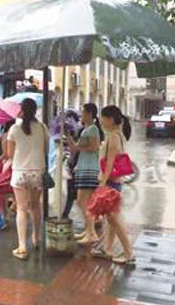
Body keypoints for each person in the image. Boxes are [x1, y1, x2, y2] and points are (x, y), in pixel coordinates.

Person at [93, 105, 135, 264]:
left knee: (115, 220)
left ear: (110, 119)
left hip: (111, 183)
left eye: (102, 117)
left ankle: (129, 254)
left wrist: (102, 184)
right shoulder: (117, 134)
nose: (101, 120)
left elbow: (110, 163)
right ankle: (107, 248)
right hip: (113, 183)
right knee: (111, 220)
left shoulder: (113, 136)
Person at [7, 98, 49, 260]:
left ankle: (22, 247)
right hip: (37, 171)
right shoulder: (42, 128)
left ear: (22, 110)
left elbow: (10, 155)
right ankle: (36, 238)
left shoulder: (14, 129)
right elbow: (45, 150)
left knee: (22, 209)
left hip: (20, 172)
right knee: (35, 206)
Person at [67, 103, 104, 244]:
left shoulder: (93, 129)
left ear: (89, 114)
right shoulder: (86, 129)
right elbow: (75, 148)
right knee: (83, 201)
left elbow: (94, 147)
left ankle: (92, 233)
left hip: (89, 168)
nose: (81, 114)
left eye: (83, 112)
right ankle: (88, 230)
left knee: (83, 202)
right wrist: (68, 136)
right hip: (83, 167)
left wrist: (80, 147)